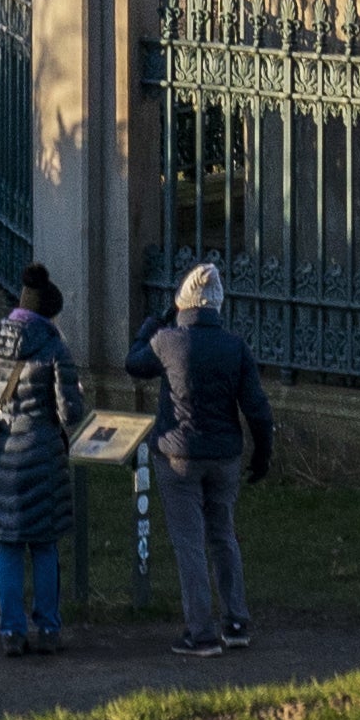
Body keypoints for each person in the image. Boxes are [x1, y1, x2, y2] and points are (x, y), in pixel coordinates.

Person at [134, 263, 273, 655]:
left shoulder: (167, 342)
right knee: (223, 535)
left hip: (178, 455)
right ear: (217, 305)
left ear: (182, 303)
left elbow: (133, 363)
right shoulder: (235, 346)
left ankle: (201, 631)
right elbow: (257, 408)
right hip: (225, 455)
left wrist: (150, 325)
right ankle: (235, 620)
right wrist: (262, 455)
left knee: (189, 543)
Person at [0, 265, 78, 654]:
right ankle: (48, 628)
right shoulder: (53, 347)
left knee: (8, 545)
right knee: (44, 546)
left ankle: (11, 631)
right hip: (43, 456)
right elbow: (70, 412)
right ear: (48, 313)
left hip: (1, 457)